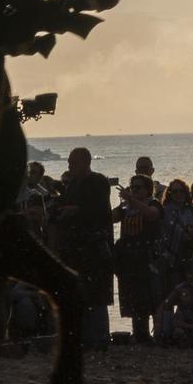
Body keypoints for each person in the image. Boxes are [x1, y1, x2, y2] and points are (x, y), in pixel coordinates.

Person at [49, 147, 114, 351]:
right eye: (69, 162)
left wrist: (76, 211)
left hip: (93, 248)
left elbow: (100, 211)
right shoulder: (74, 183)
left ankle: (100, 338)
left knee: (96, 294)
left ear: (85, 163)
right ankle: (84, 337)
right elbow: (67, 204)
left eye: (73, 162)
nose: (69, 165)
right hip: (75, 248)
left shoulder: (98, 182)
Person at [115, 175, 162, 342]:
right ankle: (139, 333)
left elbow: (152, 215)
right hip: (129, 258)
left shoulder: (153, 203)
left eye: (138, 188)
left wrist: (132, 200)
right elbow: (111, 217)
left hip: (147, 257)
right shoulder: (127, 207)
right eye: (132, 187)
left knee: (151, 296)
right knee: (133, 296)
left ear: (147, 189)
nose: (134, 190)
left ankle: (158, 333)